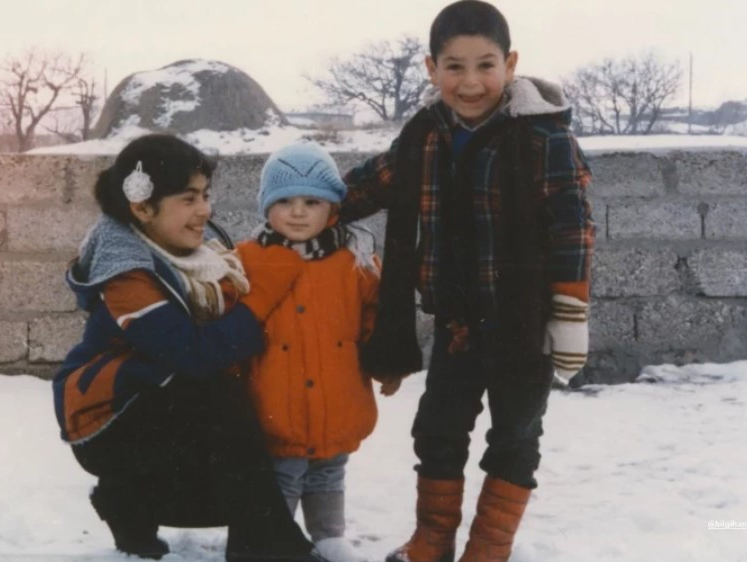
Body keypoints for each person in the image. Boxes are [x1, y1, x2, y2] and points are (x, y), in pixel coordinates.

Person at [338, 2, 595, 561]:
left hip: (523, 326)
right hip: (457, 325)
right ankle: (432, 538)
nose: (471, 82)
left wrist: (570, 314)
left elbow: (573, 225)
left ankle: (489, 546)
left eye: (485, 65)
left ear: (511, 64)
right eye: (455, 67)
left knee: (515, 437)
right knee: (437, 431)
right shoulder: (424, 136)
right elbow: (365, 187)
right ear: (432, 69)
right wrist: (304, 209)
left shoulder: (542, 136)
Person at [51, 134, 321, 561]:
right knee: (223, 402)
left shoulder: (184, 249)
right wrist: (259, 301)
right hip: (107, 418)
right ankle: (268, 550)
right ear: (142, 207)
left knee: (243, 460)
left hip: (153, 399)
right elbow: (193, 354)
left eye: (206, 196)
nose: (205, 211)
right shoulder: (126, 272)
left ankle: (125, 500)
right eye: (189, 199)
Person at [236, 142, 397, 562]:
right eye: (284, 201)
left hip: (337, 391)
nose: (298, 212)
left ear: (333, 208)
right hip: (275, 395)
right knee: (283, 472)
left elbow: (375, 317)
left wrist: (387, 362)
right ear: (265, 206)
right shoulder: (246, 260)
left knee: (329, 468)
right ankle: (274, 540)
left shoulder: (355, 260)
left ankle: (329, 535)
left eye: (312, 201)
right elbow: (229, 319)